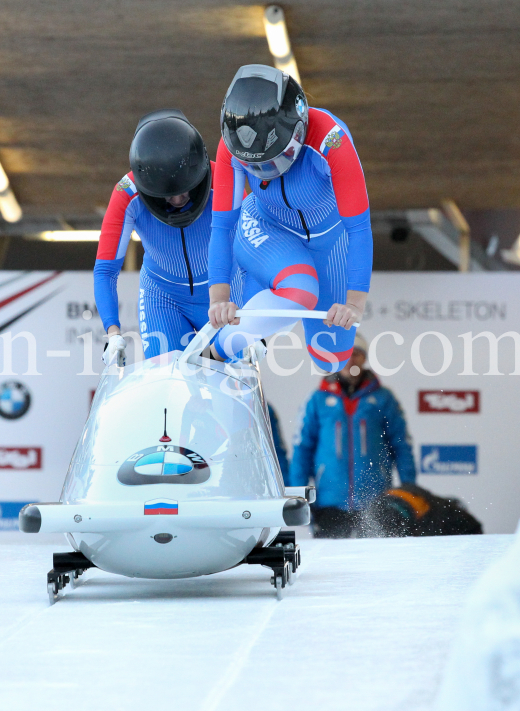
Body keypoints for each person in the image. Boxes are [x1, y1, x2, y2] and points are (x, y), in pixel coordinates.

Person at [206, 65, 372, 372]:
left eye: (272, 162)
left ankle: (264, 299)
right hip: (267, 228)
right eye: (252, 166)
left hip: (330, 242)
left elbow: (359, 228)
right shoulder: (231, 147)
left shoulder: (332, 141)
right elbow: (223, 226)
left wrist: (354, 304)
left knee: (332, 360)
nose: (263, 173)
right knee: (301, 287)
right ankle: (212, 353)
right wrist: (219, 297)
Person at [94, 109, 240, 362]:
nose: (178, 200)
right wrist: (113, 331)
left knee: (230, 381)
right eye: (167, 195)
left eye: (186, 190)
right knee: (168, 382)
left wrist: (251, 319)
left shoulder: (224, 181)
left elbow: (253, 248)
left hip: (222, 294)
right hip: (163, 300)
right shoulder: (126, 195)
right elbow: (106, 270)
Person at [286, 333, 416, 538]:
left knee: (376, 562)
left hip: (376, 500)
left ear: (364, 358)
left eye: (356, 354)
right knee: (331, 564)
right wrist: (299, 496)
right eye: (345, 355)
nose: (350, 360)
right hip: (329, 501)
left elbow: (401, 445)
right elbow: (302, 449)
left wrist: (410, 488)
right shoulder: (317, 399)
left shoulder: (383, 398)